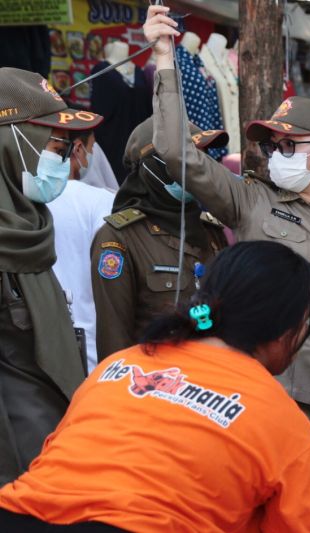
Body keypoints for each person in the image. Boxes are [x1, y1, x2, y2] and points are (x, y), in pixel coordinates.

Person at [143, 7, 310, 531]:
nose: (275, 154)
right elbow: (174, 151)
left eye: (288, 145)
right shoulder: (250, 202)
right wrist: (165, 60)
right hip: (271, 393)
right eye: (271, 145)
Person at [0, 241, 310, 533]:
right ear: (286, 330)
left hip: (17, 514)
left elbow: (61, 454)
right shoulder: (287, 425)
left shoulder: (121, 364)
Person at [0, 68, 103, 484]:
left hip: (56, 448)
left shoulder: (28, 225)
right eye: (56, 143)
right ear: (12, 141)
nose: (63, 156)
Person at [91, 118, 230, 361]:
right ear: (152, 166)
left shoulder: (211, 230)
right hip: (154, 386)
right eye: (185, 159)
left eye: (201, 158)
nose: (197, 168)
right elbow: (114, 340)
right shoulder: (119, 238)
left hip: (212, 381)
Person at [48, 124, 115, 372]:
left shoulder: (20, 200)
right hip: (92, 349)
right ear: (77, 150)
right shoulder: (102, 201)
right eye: (91, 147)